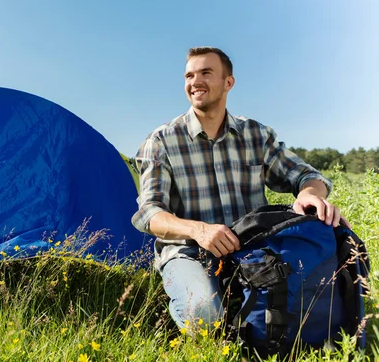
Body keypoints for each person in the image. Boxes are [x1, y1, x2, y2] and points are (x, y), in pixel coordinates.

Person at [131, 47, 350, 329]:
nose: (195, 81)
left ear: (228, 82)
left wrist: (309, 193)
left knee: (317, 298)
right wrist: (199, 230)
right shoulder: (161, 140)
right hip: (188, 252)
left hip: (252, 250)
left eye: (206, 73)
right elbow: (150, 213)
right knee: (203, 315)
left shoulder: (256, 135)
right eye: (189, 75)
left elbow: (308, 176)